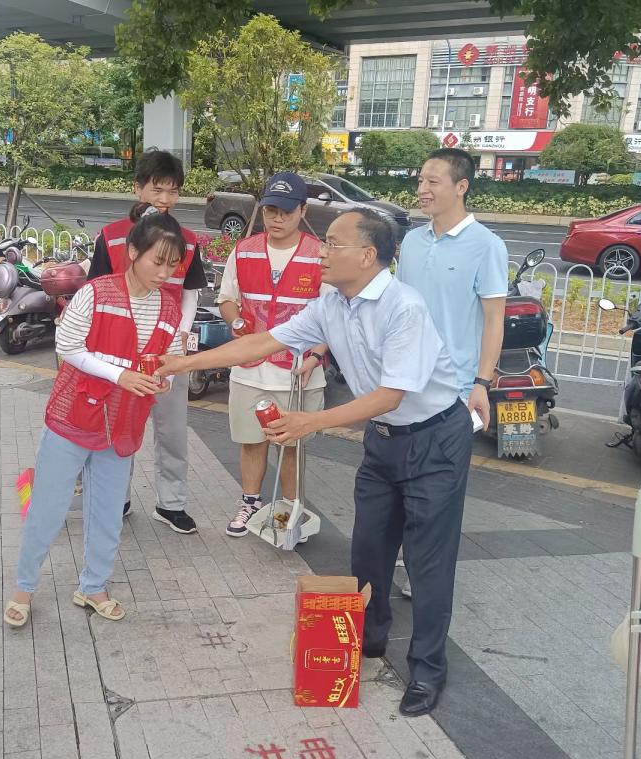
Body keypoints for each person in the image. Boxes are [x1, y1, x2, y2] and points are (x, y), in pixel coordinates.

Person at [159, 210, 471, 717]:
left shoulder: (403, 307)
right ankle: (370, 637)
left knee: (427, 560)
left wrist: (310, 422)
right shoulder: (331, 304)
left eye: (332, 243)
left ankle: (428, 670)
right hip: (384, 441)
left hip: (435, 439)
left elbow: (391, 394)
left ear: (366, 255)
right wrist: (184, 362)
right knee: (368, 549)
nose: (321, 252)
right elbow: (264, 342)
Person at [4, 209, 185, 628]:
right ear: (133, 252)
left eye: (173, 265)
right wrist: (121, 375)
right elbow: (68, 347)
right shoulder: (97, 293)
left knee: (107, 510)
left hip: (123, 422)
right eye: (157, 261)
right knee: (48, 506)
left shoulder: (169, 308)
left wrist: (164, 381)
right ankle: (24, 587)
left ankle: (93, 585)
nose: (164, 273)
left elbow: (170, 360)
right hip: (74, 416)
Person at [395, 148, 507, 600]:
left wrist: (481, 383)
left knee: (438, 494)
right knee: (400, 481)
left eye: (433, 181)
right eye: (420, 180)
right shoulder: (413, 241)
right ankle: (403, 558)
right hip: (405, 384)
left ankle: (425, 574)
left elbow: (494, 320)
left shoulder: (487, 245)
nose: (422, 189)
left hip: (454, 392)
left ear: (461, 186)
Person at [85, 151, 207, 534]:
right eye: (157, 189)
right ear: (138, 188)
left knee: (172, 430)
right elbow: (95, 292)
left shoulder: (187, 241)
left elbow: (190, 292)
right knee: (118, 426)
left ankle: (171, 504)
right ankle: (116, 499)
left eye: (173, 191)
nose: (165, 199)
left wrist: (181, 335)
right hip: (118, 353)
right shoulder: (111, 236)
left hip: (168, 351)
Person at [215, 172, 329, 537]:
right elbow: (227, 298)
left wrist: (316, 357)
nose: (277, 219)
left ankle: (290, 512)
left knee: (291, 446)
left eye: (286, 212)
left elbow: (334, 315)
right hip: (250, 366)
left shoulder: (319, 255)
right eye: (270, 211)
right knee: (251, 440)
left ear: (303, 211)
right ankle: (250, 502)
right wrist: (236, 323)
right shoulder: (244, 250)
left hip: (297, 369)